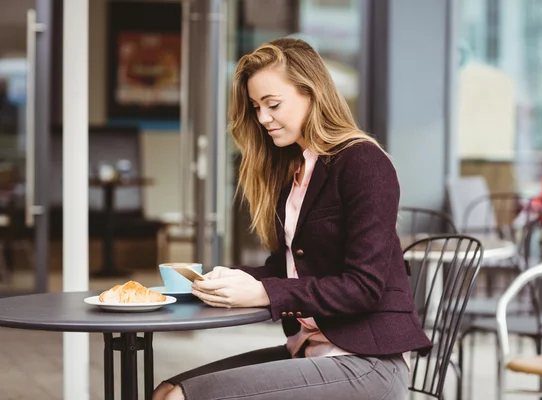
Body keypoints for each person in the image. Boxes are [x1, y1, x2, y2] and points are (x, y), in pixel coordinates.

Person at [153, 37, 432, 400]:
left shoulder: (364, 162)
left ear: (312, 93)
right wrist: (225, 280)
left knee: (181, 398)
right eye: (256, 107)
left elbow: (364, 286)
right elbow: (289, 271)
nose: (263, 118)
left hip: (368, 362)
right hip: (310, 350)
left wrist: (264, 292)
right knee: (167, 389)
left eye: (273, 104)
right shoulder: (298, 171)